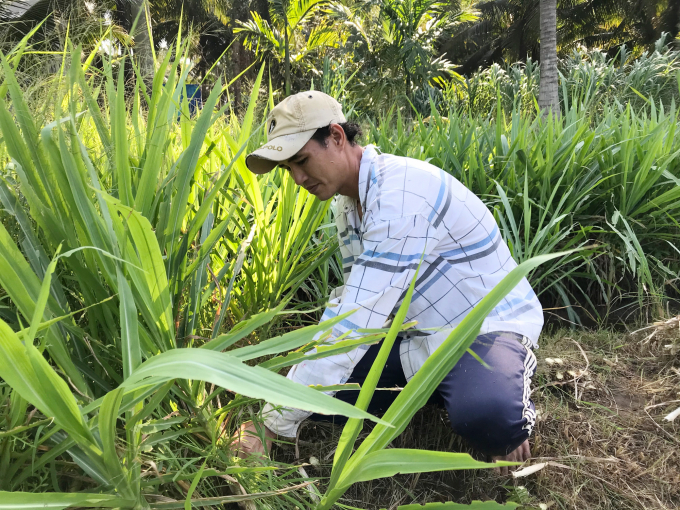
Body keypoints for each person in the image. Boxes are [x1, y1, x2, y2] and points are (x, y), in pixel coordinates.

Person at [234, 91, 542, 474]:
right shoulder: (348, 207)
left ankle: (502, 397)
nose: (297, 178)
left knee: (491, 418)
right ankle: (455, 388)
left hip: (481, 331)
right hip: (418, 336)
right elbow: (357, 303)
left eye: (301, 160)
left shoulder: (401, 196)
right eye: (287, 169)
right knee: (329, 402)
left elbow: (354, 322)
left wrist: (270, 425)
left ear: (336, 136)